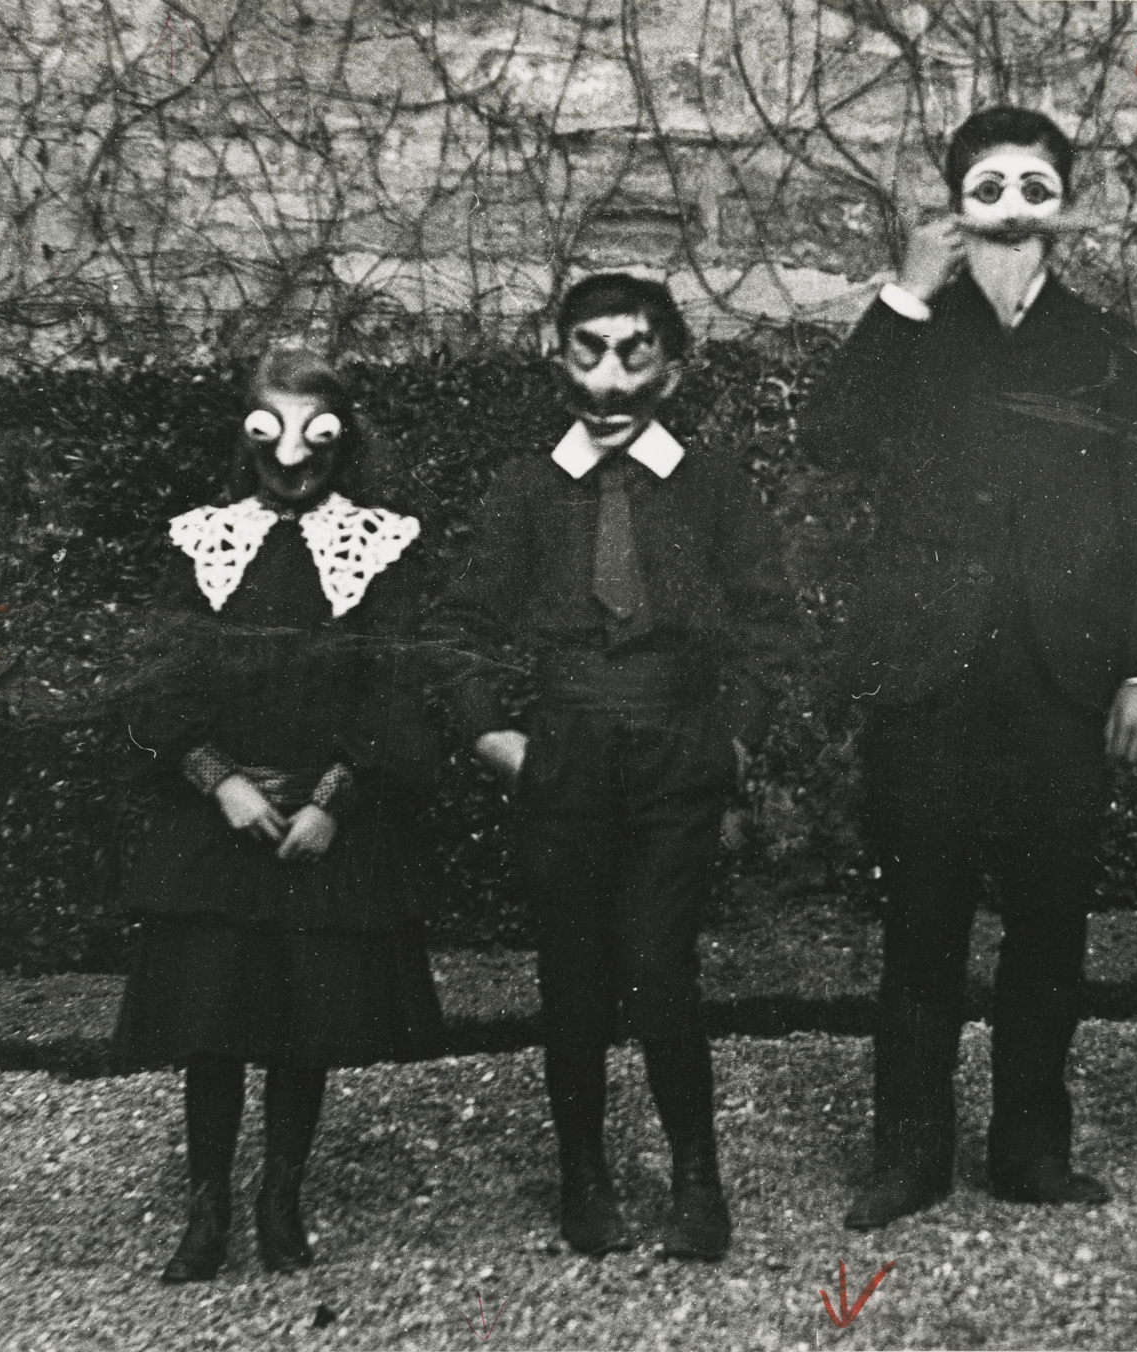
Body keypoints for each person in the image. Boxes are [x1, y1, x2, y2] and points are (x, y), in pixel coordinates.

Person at [799, 105, 1137, 1230]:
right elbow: (828, 439)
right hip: (931, 674)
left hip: (1063, 681)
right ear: (956, 200)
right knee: (922, 921)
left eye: (1033, 184)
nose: (1011, 206)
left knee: (1050, 926)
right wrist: (903, 292)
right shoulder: (915, 327)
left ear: (1060, 205)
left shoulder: (1109, 345)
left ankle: (1031, 1150)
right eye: (987, 184)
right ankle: (908, 1157)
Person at [433, 274, 799, 1261]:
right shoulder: (524, 491)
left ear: (670, 368)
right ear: (559, 364)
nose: (610, 375)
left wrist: (736, 738)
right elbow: (462, 625)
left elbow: (768, 621)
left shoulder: (712, 485)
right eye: (588, 350)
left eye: (634, 351)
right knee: (575, 978)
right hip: (563, 760)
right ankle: (585, 1177)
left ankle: (695, 1177)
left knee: (659, 963)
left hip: (676, 754)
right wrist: (493, 736)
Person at [113, 346, 447, 1280]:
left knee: (306, 1019)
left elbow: (397, 686)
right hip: (220, 819)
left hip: (324, 822)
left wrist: (338, 798)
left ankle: (280, 1196)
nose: (292, 458)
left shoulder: (379, 546)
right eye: (271, 430)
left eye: (315, 436)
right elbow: (157, 685)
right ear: (246, 433)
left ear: (341, 444)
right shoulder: (200, 542)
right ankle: (207, 1206)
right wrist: (216, 778)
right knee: (214, 1020)